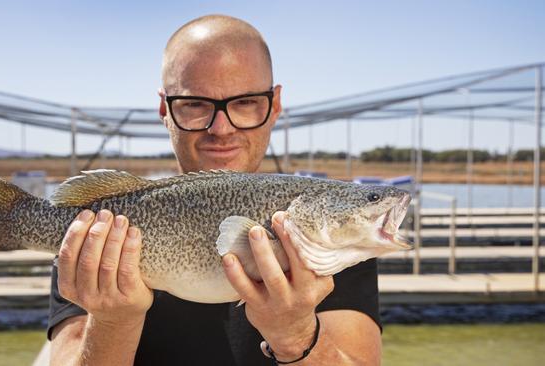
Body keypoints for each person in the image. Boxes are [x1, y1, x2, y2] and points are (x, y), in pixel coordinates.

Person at [48, 14, 381, 365]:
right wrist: (112, 322)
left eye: (245, 102)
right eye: (195, 105)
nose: (221, 128)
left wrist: (297, 337)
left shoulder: (335, 246)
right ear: (165, 108)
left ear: (275, 104)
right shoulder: (97, 231)